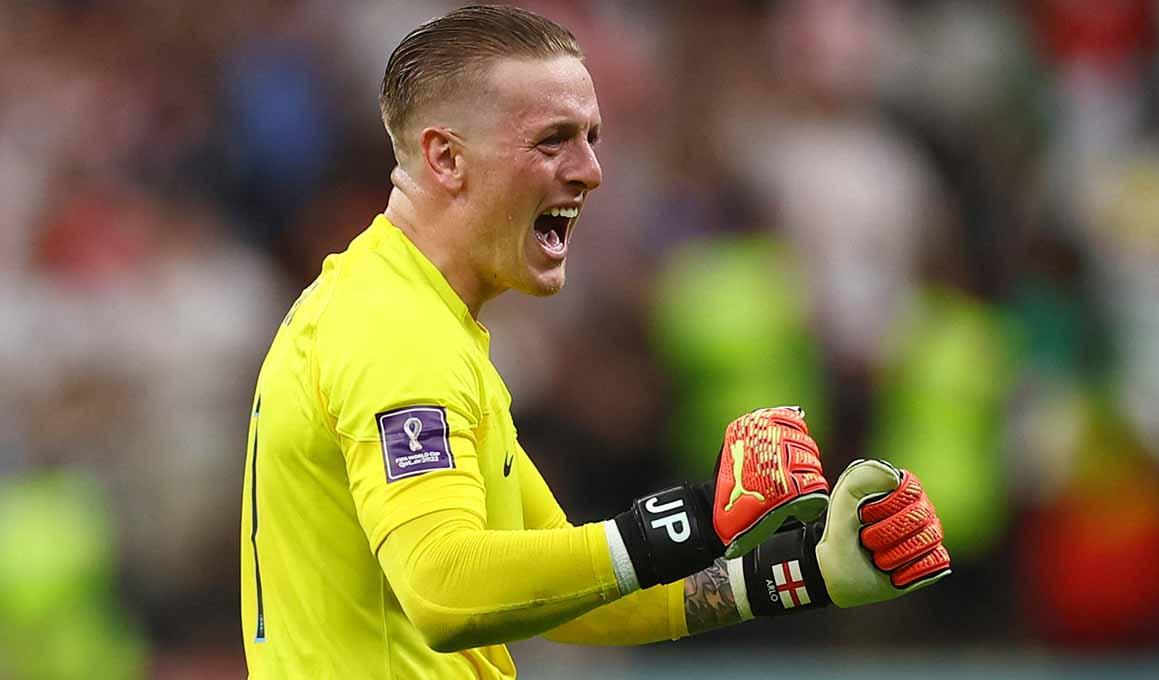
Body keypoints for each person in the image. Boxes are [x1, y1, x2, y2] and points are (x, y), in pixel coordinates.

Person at [239, 6, 950, 678]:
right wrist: (700, 515)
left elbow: (574, 597)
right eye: (553, 140)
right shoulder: (395, 331)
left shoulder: (410, 313)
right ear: (446, 159)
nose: (590, 170)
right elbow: (446, 590)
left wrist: (797, 574)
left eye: (591, 138)